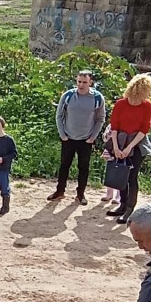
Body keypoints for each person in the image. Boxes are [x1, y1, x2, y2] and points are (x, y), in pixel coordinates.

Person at [107, 73, 151, 224]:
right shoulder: (120, 104)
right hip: (120, 140)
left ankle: (130, 208)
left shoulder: (146, 105)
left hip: (137, 143)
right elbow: (114, 126)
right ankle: (122, 205)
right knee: (121, 174)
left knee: (132, 177)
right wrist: (116, 147)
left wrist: (130, 147)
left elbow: (144, 129)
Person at [48, 70, 106, 206]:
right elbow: (59, 115)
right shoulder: (68, 95)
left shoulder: (97, 98)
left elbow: (100, 119)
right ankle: (60, 191)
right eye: (79, 81)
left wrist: (93, 137)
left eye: (84, 82)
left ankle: (80, 194)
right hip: (68, 137)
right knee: (64, 165)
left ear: (90, 82)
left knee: (83, 167)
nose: (81, 85)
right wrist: (62, 134)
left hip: (86, 140)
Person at [99, 125, 120, 205]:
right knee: (109, 173)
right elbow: (104, 138)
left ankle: (118, 196)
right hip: (110, 151)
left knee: (120, 174)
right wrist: (110, 136)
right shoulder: (111, 125)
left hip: (121, 151)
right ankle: (109, 194)